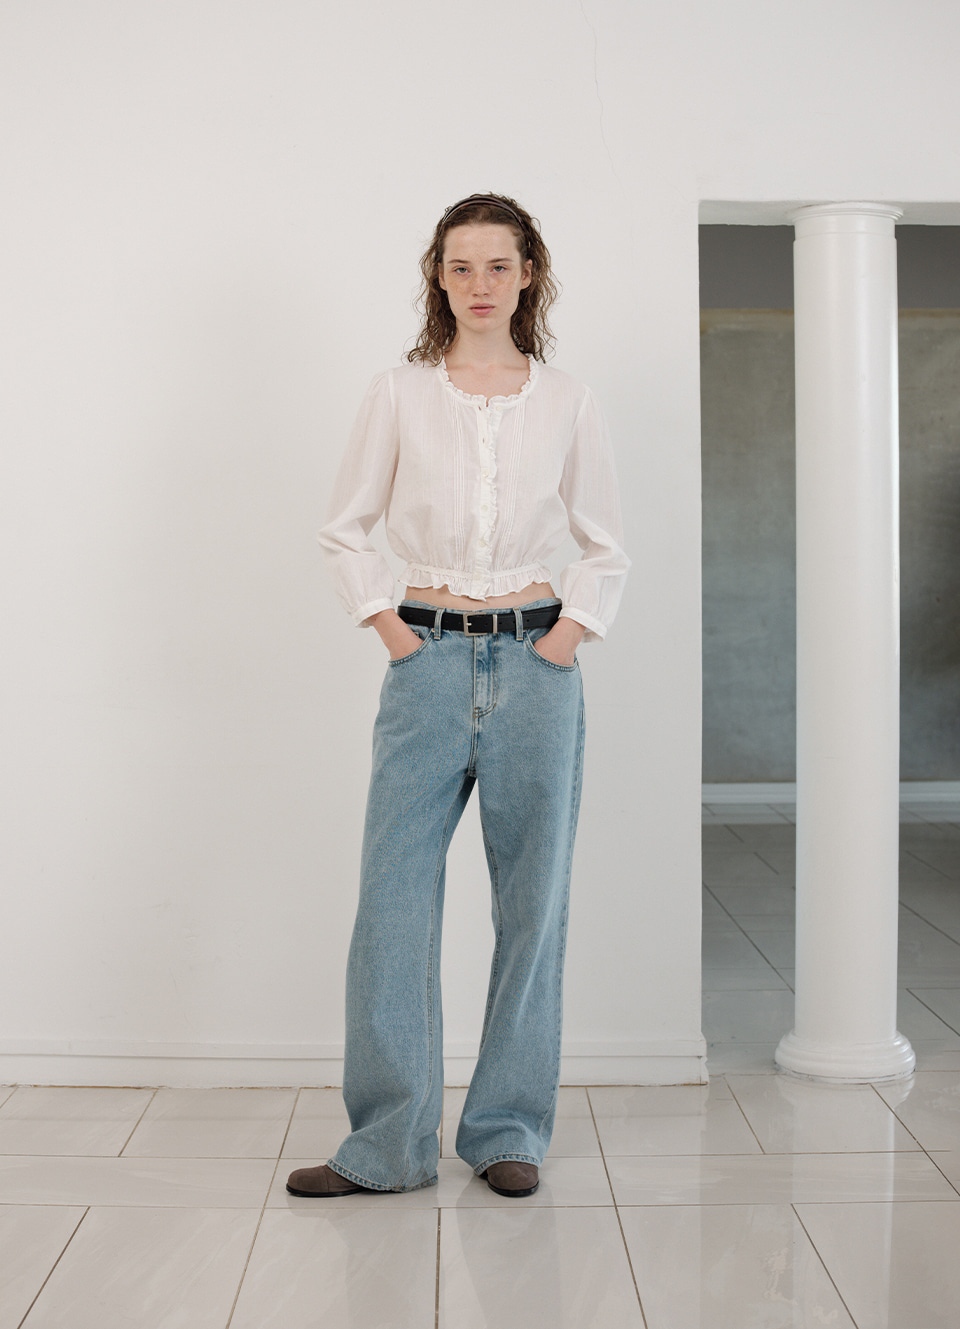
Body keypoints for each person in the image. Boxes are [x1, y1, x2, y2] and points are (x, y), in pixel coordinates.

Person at [287, 193, 629, 1200]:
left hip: (538, 665)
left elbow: (606, 540)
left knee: (533, 903)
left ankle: (507, 1129)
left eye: (499, 265)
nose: (480, 284)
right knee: (393, 900)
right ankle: (387, 1143)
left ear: (529, 276)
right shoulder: (398, 393)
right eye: (461, 266)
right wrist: (393, 631)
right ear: (438, 278)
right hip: (426, 662)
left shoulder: (568, 400)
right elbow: (345, 528)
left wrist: (564, 641)